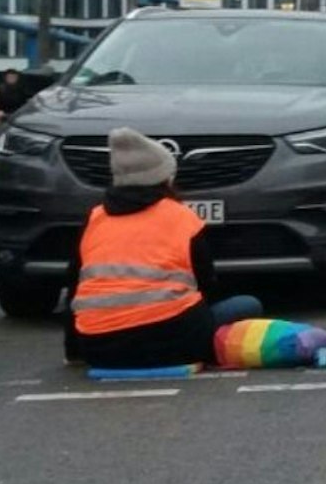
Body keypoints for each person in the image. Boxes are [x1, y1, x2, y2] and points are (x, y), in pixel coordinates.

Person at [63, 128, 261, 368]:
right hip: (174, 343)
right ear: (166, 179)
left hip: (99, 349)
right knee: (248, 304)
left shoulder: (95, 219)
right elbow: (206, 284)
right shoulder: (181, 217)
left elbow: (73, 287)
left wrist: (75, 352)